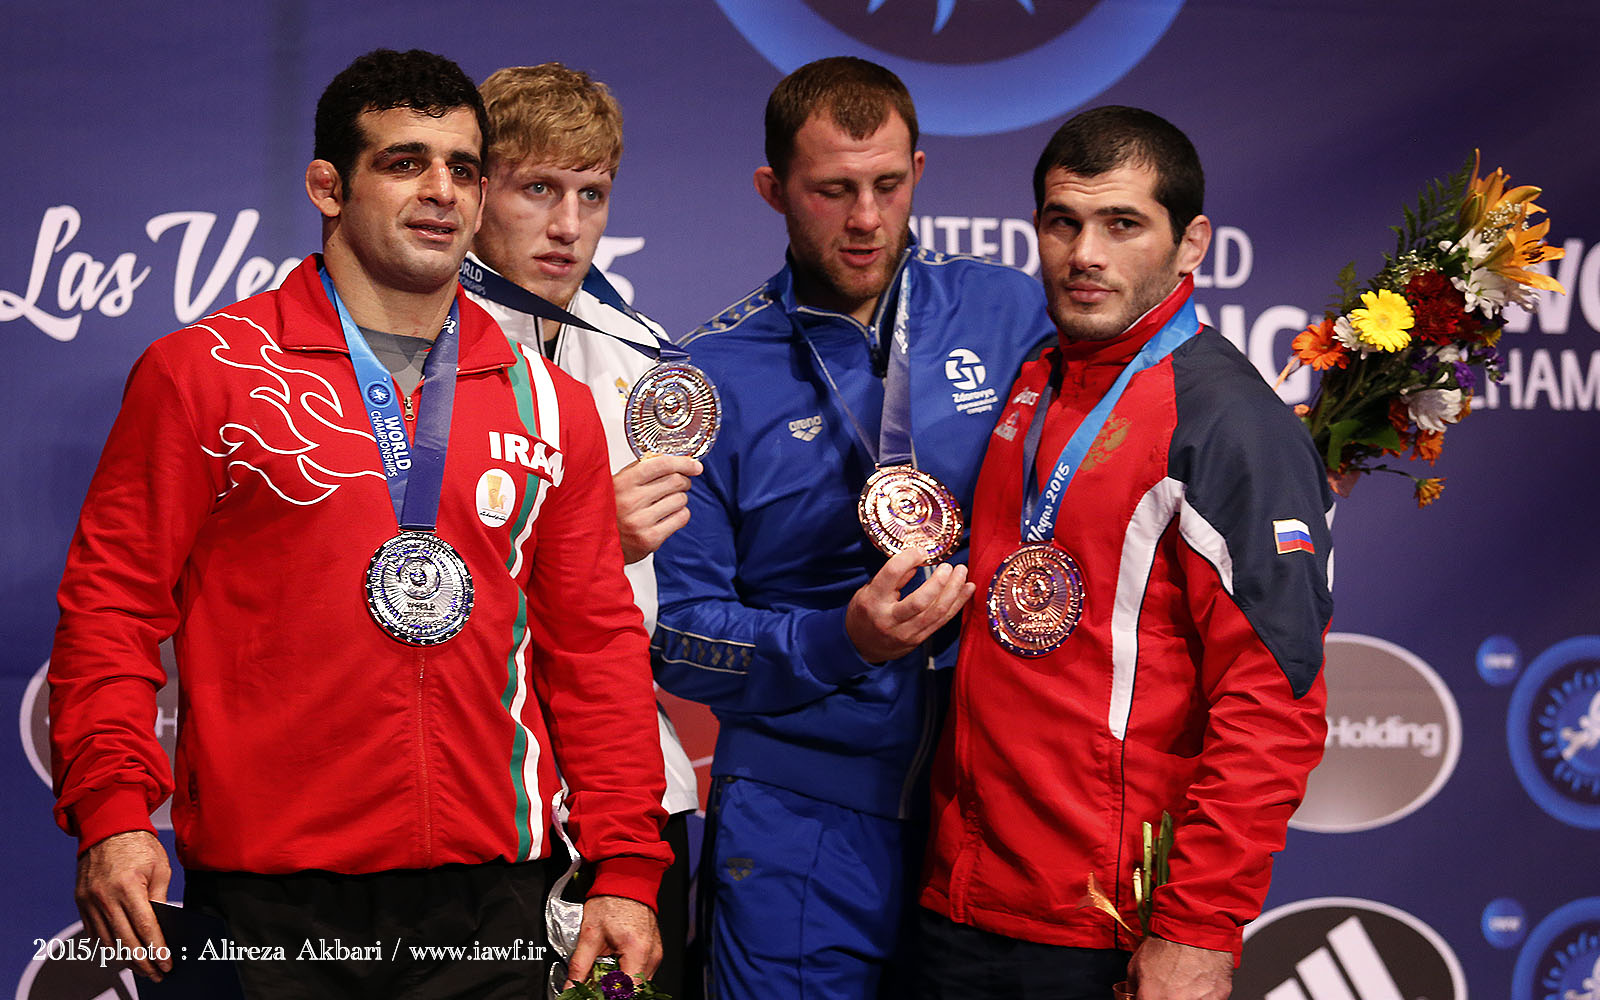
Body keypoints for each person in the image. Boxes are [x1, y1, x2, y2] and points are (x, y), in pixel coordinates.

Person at [47, 48, 669, 999]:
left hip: (495, 894)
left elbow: (594, 647)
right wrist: (114, 811)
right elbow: (111, 608)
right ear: (328, 187)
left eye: (464, 168)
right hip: (268, 897)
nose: (441, 192)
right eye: (405, 162)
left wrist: (625, 863)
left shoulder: (552, 403)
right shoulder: (206, 373)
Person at [651, 56, 1055, 999]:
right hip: (799, 820)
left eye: (888, 185)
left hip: (993, 814)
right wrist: (844, 640)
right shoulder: (702, 375)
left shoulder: (1012, 312)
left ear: (920, 171)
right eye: (833, 190)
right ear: (773, 189)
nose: (868, 218)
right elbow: (676, 636)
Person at [916, 106, 1334, 1000]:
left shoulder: (1230, 424)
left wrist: (1199, 927)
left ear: (1192, 245)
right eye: (1062, 223)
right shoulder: (1037, 377)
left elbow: (1274, 705)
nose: (1085, 255)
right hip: (961, 900)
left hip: (1109, 925)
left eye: (1122, 225)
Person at [465, 61, 701, 998]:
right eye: (538, 189)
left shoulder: (644, 355)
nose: (568, 225)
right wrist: (585, 539)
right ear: (477, 189)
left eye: (591, 194)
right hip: (488, 797)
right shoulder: (419, 349)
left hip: (635, 797)